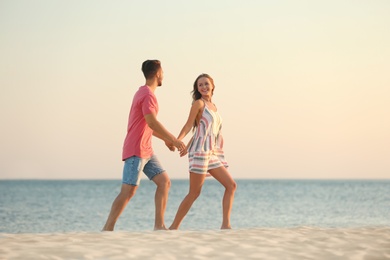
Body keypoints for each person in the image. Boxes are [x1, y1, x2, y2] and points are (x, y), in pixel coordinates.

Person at [102, 60, 185, 231]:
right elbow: (152, 122)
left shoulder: (142, 92)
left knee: (164, 182)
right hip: (136, 150)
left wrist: (166, 140)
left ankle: (159, 225)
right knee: (128, 191)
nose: (164, 75)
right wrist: (174, 140)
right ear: (157, 74)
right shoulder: (147, 95)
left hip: (146, 150)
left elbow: (147, 124)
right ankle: (107, 229)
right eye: (163, 72)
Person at [169, 73, 237, 230]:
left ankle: (226, 225)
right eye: (200, 85)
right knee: (194, 193)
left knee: (231, 185)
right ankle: (174, 227)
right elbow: (188, 125)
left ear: (212, 85)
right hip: (200, 152)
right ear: (197, 89)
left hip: (212, 152)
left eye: (206, 84)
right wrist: (177, 141)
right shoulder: (199, 104)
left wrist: (189, 143)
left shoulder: (215, 107)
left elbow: (202, 129)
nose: (204, 87)